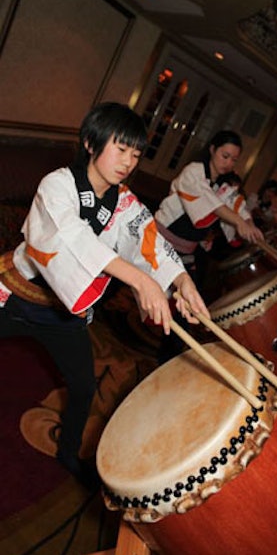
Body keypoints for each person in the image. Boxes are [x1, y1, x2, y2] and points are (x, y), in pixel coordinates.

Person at [0, 102, 209, 488]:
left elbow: (149, 242)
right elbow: (65, 238)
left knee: (83, 387)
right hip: (14, 295)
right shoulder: (57, 184)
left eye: (135, 154)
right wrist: (139, 281)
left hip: (63, 315)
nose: (128, 161)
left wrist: (181, 281)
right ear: (91, 143)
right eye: (120, 148)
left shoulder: (126, 204)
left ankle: (67, 452)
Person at [154, 130, 264, 360]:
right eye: (225, 156)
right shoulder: (193, 172)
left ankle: (167, 359)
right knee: (123, 281)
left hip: (185, 253)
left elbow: (237, 207)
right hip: (157, 243)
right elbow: (211, 205)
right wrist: (237, 221)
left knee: (186, 309)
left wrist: (249, 224)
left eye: (234, 159)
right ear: (212, 149)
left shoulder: (225, 185)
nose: (229, 163)